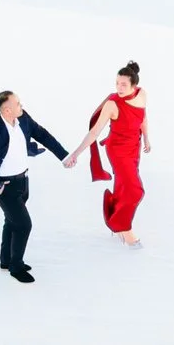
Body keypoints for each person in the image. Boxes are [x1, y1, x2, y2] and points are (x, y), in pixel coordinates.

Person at [0, 90, 69, 283]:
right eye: (17, 104)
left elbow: (42, 134)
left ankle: (6, 261)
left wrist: (63, 156)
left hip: (22, 181)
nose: (21, 105)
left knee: (12, 221)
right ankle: (16, 266)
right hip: (4, 186)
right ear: (7, 110)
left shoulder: (22, 119)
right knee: (24, 225)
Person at [64, 61, 149, 244]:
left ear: (134, 85)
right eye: (117, 83)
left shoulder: (142, 94)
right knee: (135, 191)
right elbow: (94, 132)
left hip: (134, 148)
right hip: (118, 151)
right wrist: (75, 154)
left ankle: (116, 219)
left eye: (124, 84)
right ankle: (124, 229)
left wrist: (147, 138)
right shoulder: (112, 104)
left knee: (124, 187)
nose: (119, 88)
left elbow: (143, 117)